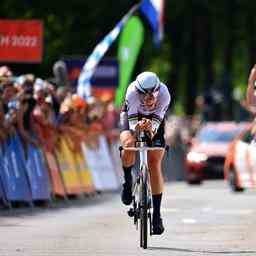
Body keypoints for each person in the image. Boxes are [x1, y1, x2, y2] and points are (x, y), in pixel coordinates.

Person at [119, 71, 171, 235]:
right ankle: (128, 181)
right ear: (138, 91)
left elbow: (155, 127)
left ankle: (157, 215)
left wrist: (150, 128)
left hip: (154, 119)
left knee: (154, 162)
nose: (148, 98)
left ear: (157, 90)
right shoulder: (132, 93)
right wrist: (137, 129)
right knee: (128, 143)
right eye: (144, 93)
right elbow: (133, 126)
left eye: (151, 94)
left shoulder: (164, 94)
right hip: (133, 116)